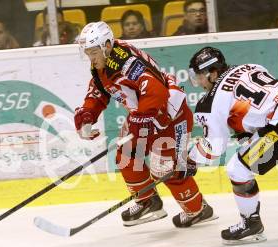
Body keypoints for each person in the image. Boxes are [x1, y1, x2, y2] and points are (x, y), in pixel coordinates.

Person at [186, 46, 278, 244]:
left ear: (213, 73)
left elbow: (214, 147)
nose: (198, 82)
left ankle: (251, 225)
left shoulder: (209, 103)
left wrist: (190, 159)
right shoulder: (250, 67)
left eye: (199, 76)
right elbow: (264, 105)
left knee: (237, 170)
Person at [74, 22, 217, 228]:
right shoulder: (104, 62)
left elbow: (156, 92)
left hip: (169, 117)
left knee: (166, 169)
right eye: (88, 53)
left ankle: (198, 209)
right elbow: (100, 89)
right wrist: (87, 115)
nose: (91, 57)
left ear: (106, 46)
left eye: (93, 52)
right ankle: (148, 201)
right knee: (126, 155)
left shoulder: (127, 63)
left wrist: (140, 120)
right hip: (145, 115)